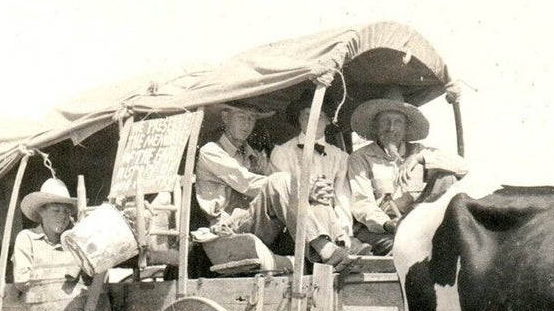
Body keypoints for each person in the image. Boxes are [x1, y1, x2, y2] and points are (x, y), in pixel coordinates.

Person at [194, 102, 367, 268]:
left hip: (259, 222)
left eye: (252, 119)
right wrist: (305, 188)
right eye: (241, 117)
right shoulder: (211, 151)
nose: (247, 124)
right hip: (228, 227)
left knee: (315, 197)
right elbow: (248, 183)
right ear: (225, 118)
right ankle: (325, 249)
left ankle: (341, 243)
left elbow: (277, 196)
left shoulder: (253, 155)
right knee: (281, 180)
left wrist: (312, 192)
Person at [346, 96, 469, 254]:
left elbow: (464, 167)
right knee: (403, 248)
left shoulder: (418, 151)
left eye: (398, 122)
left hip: (416, 225)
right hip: (382, 229)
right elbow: (362, 203)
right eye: (385, 121)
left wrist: (418, 158)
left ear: (406, 129)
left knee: (446, 178)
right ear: (376, 126)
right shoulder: (360, 157)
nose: (391, 128)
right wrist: (389, 224)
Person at [270, 98, 354, 252]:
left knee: (325, 208)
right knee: (317, 206)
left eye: (319, 116)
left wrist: (346, 230)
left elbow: (342, 198)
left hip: (332, 225)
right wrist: (310, 194)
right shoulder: (282, 152)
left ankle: (342, 245)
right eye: (306, 116)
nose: (312, 121)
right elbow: (280, 195)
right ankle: (331, 248)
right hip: (293, 228)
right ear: (299, 119)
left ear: (329, 120)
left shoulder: (340, 157)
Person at [12, 176, 81, 286]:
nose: (62, 216)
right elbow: (22, 280)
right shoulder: (27, 238)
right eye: (56, 210)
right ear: (41, 212)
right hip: (37, 301)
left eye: (66, 211)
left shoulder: (73, 243)